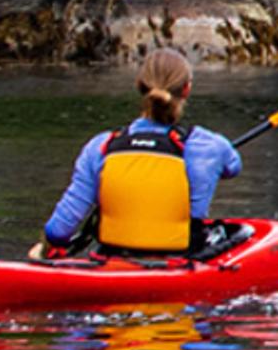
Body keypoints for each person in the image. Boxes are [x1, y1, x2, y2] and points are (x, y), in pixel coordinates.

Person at [37, 47, 243, 258]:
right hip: (180, 261)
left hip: (113, 261)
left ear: (139, 86)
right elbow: (233, 167)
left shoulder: (101, 148)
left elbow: (58, 231)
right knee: (239, 234)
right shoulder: (209, 146)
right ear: (186, 90)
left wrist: (45, 249)